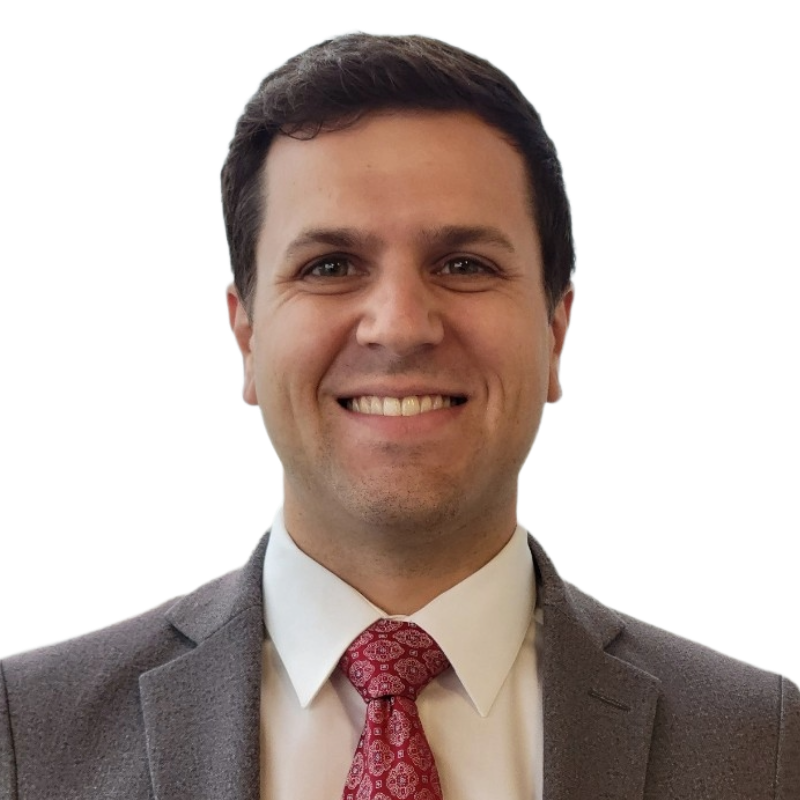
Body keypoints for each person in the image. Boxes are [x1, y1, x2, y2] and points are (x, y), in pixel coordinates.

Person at [1, 29, 797, 800]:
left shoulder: (764, 739)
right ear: (245, 333)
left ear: (556, 331)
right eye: (331, 266)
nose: (401, 324)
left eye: (463, 264)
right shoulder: (26, 730)